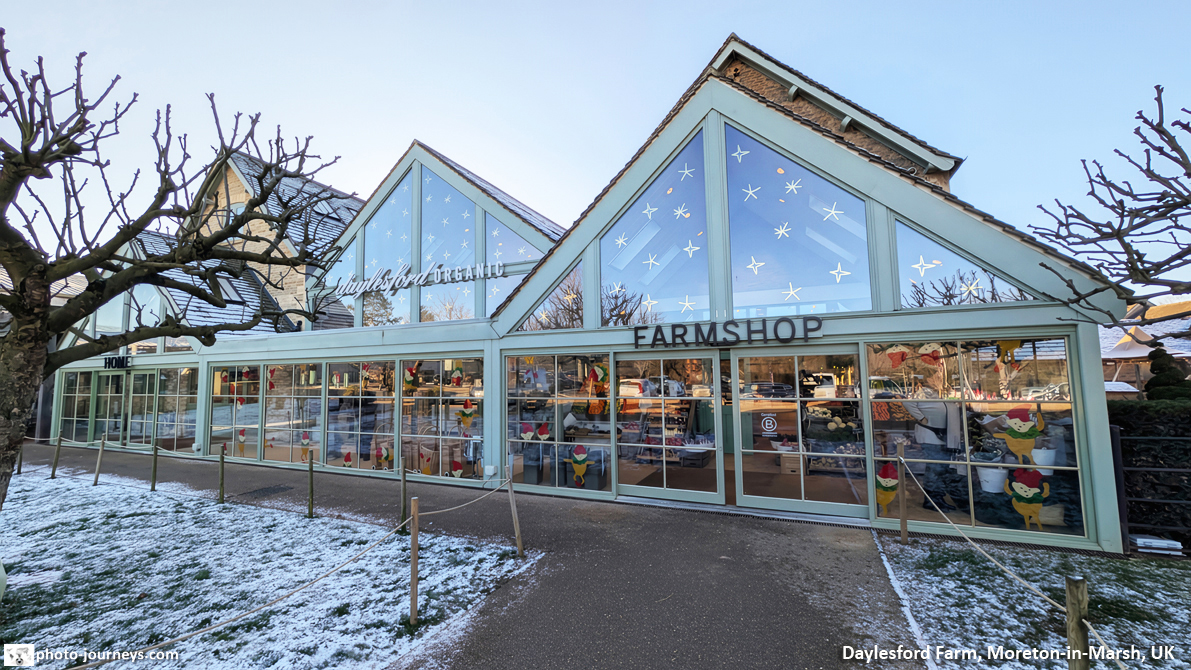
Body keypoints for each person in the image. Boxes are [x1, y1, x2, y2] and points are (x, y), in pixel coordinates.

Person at [903, 388, 968, 512]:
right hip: (930, 436)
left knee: (940, 469)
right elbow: (907, 403)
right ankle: (931, 500)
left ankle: (937, 498)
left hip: (943, 436)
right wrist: (921, 418)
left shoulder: (940, 394)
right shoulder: (925, 392)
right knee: (935, 469)